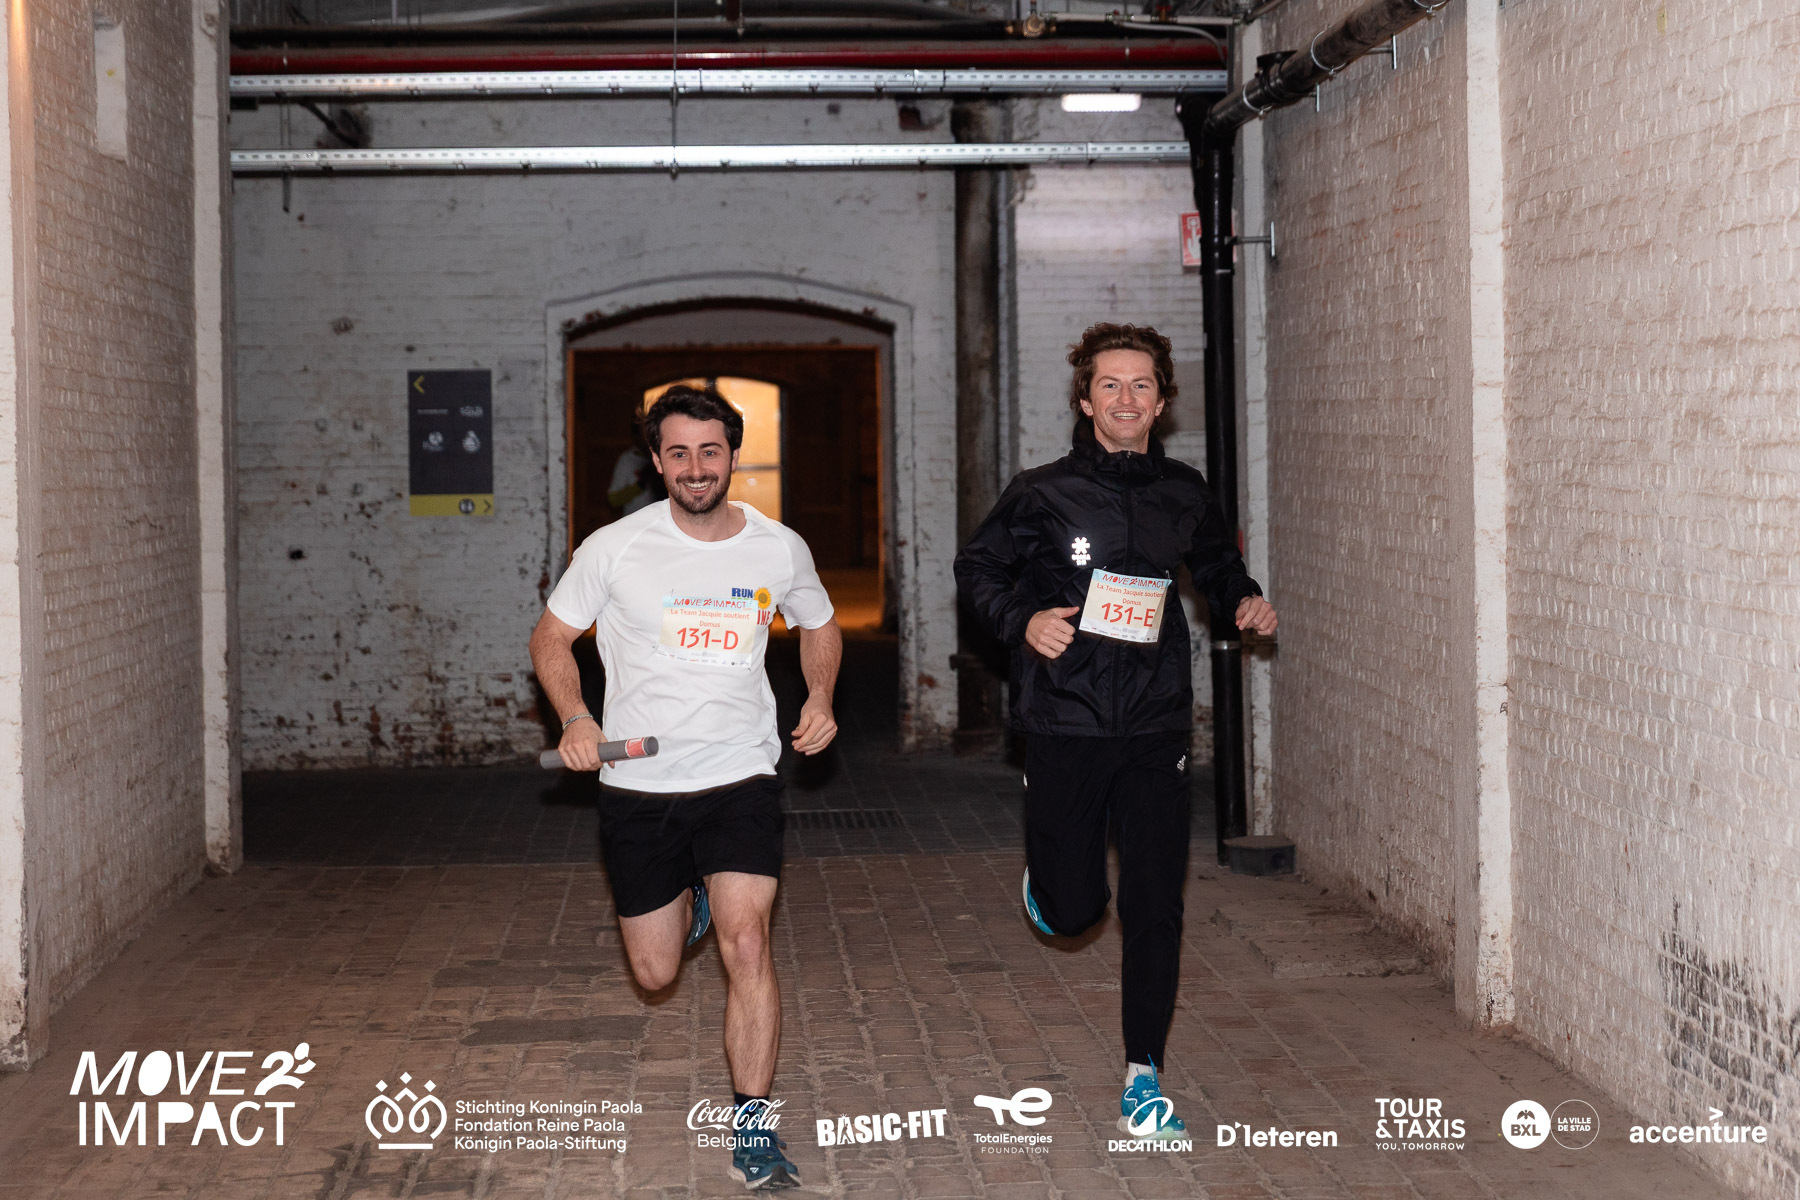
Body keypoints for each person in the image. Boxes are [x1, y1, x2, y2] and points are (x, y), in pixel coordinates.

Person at [954, 322, 1278, 1141]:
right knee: (1076, 912)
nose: (1126, 398)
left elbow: (1216, 564)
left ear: (1161, 402)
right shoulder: (1041, 492)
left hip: (1155, 722)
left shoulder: (1184, 491)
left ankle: (1144, 1075)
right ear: (1085, 398)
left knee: (1154, 900)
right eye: (1110, 384)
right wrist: (1023, 620)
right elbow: (978, 568)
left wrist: (1242, 598)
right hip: (1065, 717)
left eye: (1141, 385)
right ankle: (1052, 890)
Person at [530, 383, 842, 1190]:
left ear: (732, 455)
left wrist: (818, 697)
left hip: (741, 775)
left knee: (749, 944)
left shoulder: (777, 546)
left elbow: (819, 622)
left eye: (710, 451)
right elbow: (552, 637)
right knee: (656, 974)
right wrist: (575, 717)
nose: (696, 468)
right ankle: (690, 896)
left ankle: (753, 1129)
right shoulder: (615, 548)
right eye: (679, 453)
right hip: (640, 785)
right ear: (656, 460)